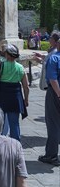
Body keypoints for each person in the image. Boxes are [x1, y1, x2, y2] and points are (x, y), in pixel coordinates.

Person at [0, 44, 29, 142]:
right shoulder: (20, 67)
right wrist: (26, 99)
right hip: (15, 97)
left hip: (1, 96)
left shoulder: (1, 65)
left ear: (7, 54)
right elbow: (26, 86)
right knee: (14, 123)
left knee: (0, 122)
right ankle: (15, 146)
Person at [38, 34, 60, 166]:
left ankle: (51, 155)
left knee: (53, 124)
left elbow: (52, 79)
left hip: (55, 94)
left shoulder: (54, 59)